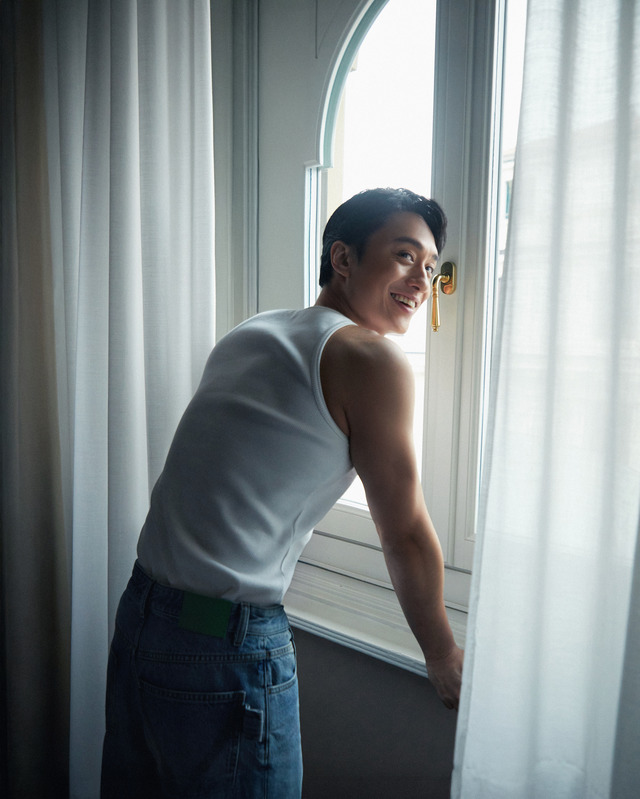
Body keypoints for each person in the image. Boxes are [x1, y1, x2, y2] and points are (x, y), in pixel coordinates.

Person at [100, 187, 464, 798]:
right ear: (342, 258)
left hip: (144, 614)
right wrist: (442, 654)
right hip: (223, 644)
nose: (421, 280)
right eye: (405, 256)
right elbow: (402, 530)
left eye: (429, 267)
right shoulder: (371, 360)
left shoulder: (254, 330)